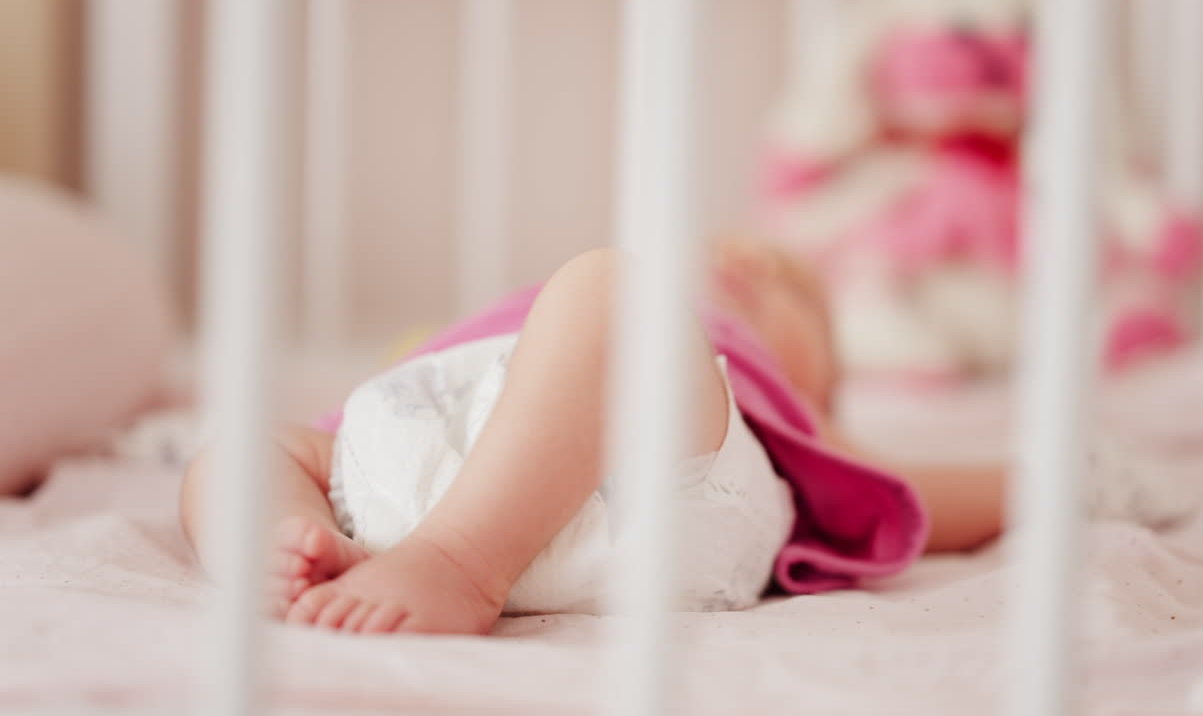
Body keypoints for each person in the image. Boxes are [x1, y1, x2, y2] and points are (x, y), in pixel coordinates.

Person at [180, 240, 1005, 635]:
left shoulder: (770, 404)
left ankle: (460, 560)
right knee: (243, 450)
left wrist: (1033, 480)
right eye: (716, 251)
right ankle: (291, 552)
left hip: (659, 480)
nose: (748, 265)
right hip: (445, 459)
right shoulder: (537, 320)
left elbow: (917, 495)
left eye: (785, 290)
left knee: (619, 289)